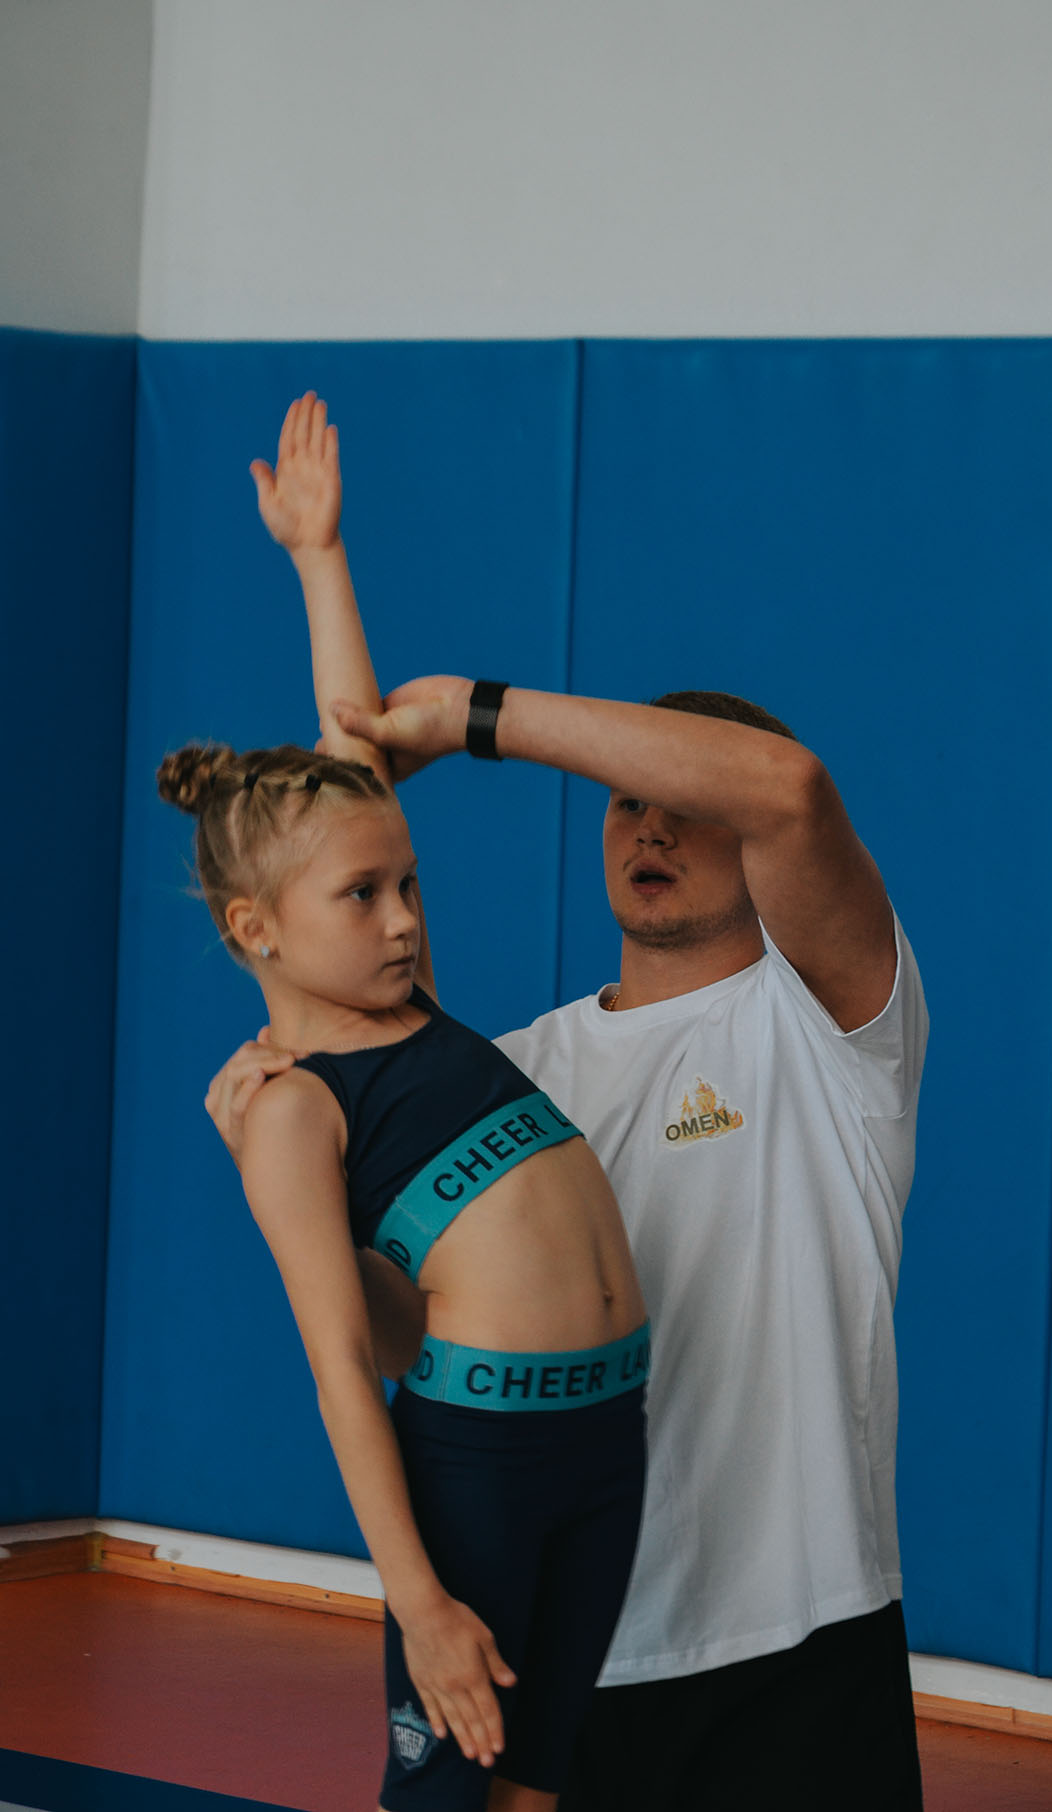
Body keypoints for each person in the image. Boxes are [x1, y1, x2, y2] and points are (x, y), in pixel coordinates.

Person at [209, 395, 929, 1810]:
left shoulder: (836, 1026)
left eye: (680, 800)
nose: (648, 824)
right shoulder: (514, 1075)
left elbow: (788, 788)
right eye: (624, 804)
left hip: (801, 1640)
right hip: (577, 1632)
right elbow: (337, 843)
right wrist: (298, 1200)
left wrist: (480, 717)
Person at [161, 399, 649, 1812]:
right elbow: (340, 1368)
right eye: (363, 897)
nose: (402, 919)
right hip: (481, 1460)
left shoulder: (412, 1007)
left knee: (539, 1790)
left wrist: (319, 557)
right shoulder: (292, 1112)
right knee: (451, 1796)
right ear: (255, 929)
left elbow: (353, 755)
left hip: (605, 1434)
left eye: (410, 887)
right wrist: (420, 1600)